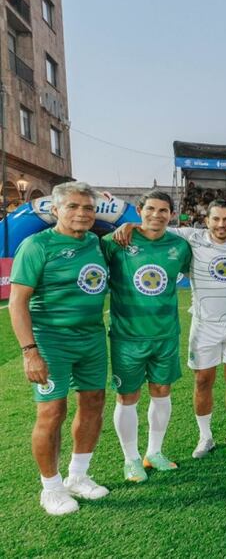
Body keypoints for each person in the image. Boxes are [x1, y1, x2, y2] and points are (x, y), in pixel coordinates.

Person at [115, 198, 226, 458]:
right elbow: (153, 226)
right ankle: (205, 436)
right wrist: (130, 224)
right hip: (204, 323)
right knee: (202, 380)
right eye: (216, 219)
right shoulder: (191, 236)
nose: (222, 224)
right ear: (206, 220)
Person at [10, 182, 111, 515]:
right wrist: (30, 351)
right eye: (72, 207)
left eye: (87, 207)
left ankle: (78, 477)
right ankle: (51, 489)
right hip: (51, 341)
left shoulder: (96, 242)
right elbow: (17, 302)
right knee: (52, 412)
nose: (81, 213)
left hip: (93, 338)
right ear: (55, 210)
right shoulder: (36, 245)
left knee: (94, 402)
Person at [102, 190, 192, 482]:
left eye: (163, 210)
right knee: (127, 396)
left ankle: (154, 452)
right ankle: (130, 459)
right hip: (127, 337)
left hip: (165, 334)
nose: (156, 215)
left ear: (171, 215)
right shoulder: (116, 242)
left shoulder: (179, 246)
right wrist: (125, 227)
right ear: (139, 211)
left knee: (162, 392)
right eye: (151, 209)